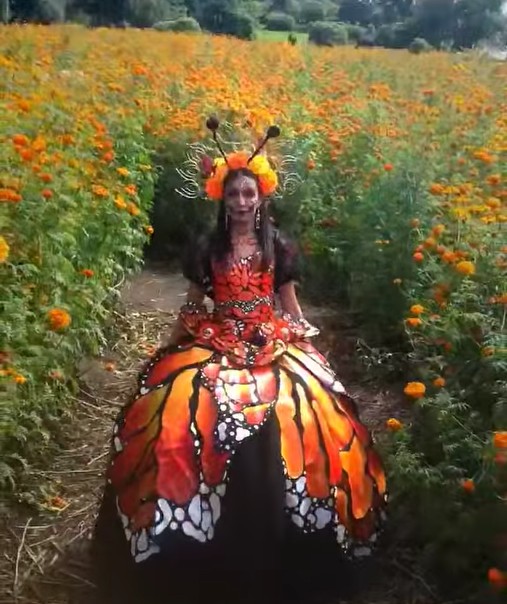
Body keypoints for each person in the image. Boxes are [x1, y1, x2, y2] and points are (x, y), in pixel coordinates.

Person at [93, 118, 387, 604]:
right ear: (222, 199)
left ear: (261, 196)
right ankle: (181, 533)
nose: (242, 202)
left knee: (313, 414)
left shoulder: (279, 246)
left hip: (271, 340)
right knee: (179, 410)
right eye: (233, 194)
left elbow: (290, 305)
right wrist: (167, 347)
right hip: (218, 337)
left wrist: (311, 348)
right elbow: (192, 306)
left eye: (249, 193)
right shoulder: (209, 248)